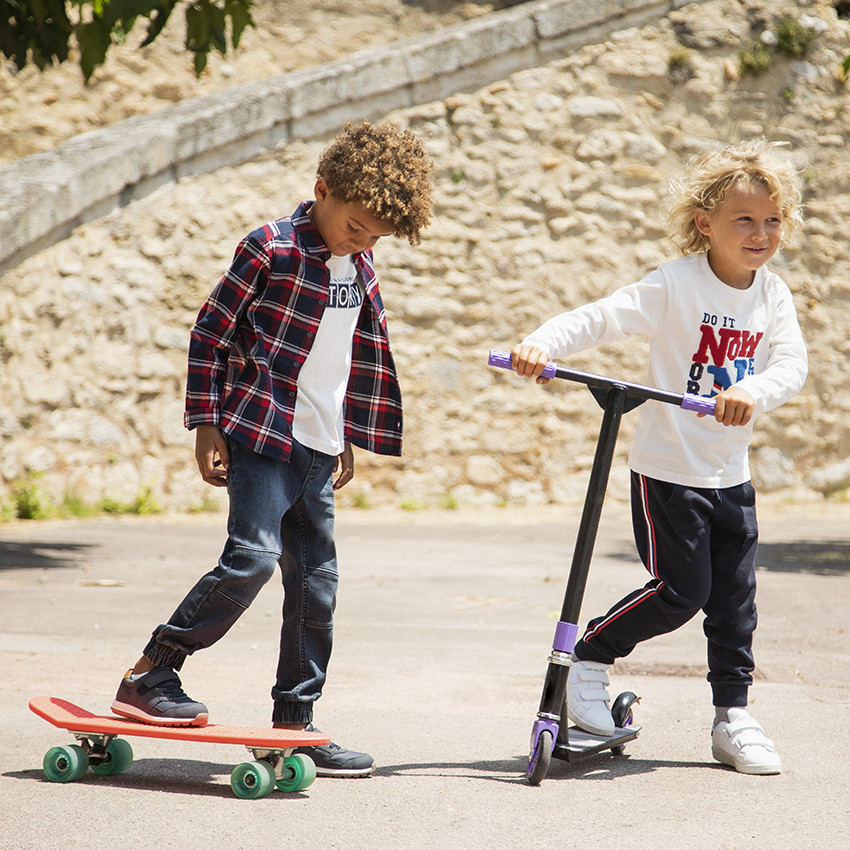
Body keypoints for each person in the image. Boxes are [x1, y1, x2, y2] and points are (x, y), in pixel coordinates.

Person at [111, 120, 434, 778]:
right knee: (253, 558)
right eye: (356, 226)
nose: (363, 241)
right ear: (322, 190)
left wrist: (343, 432)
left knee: (317, 586)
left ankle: (295, 722)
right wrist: (206, 423)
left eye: (376, 236)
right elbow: (210, 332)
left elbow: (341, 356)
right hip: (261, 430)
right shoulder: (271, 248)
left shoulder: (359, 266)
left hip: (318, 443)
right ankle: (150, 672)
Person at [511, 139, 807, 775]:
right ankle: (590, 655)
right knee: (682, 591)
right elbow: (602, 318)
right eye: (744, 219)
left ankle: (733, 717)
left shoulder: (772, 294)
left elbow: (791, 364)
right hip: (669, 473)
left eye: (773, 219)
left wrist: (752, 392)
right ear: (705, 222)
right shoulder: (676, 284)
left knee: (735, 604)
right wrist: (541, 343)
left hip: (731, 474)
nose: (761, 233)